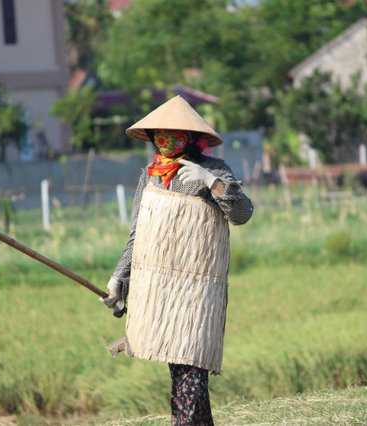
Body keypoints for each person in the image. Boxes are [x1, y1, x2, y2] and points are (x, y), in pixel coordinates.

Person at [100, 95, 254, 425]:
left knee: (192, 375)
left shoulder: (213, 169)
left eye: (175, 133)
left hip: (198, 291)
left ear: (191, 137)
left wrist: (211, 183)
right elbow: (136, 235)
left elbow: (242, 214)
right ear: (154, 136)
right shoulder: (150, 176)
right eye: (161, 134)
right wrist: (118, 278)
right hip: (160, 290)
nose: (167, 139)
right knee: (183, 377)